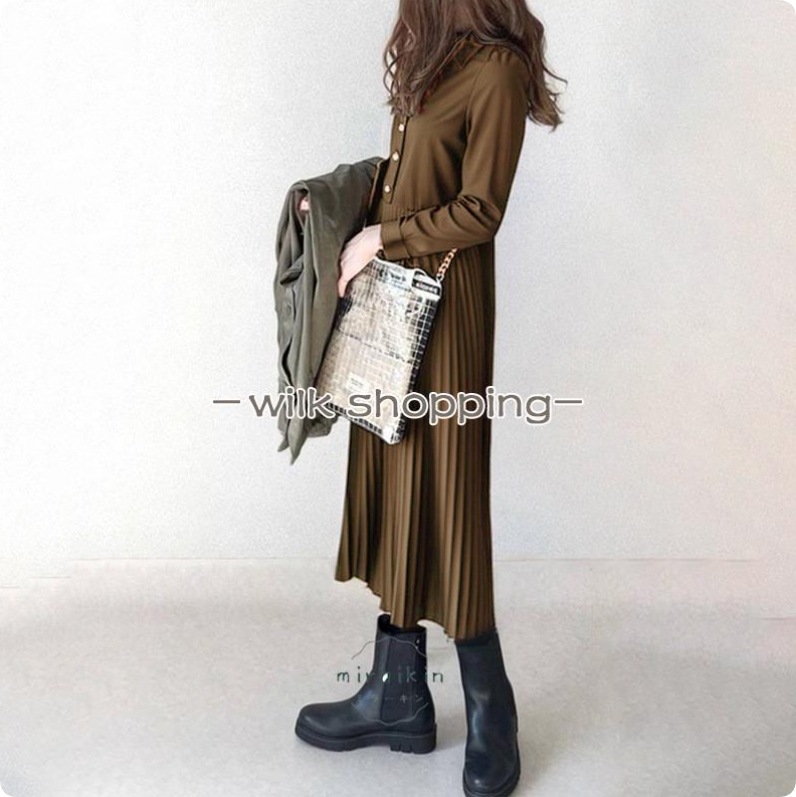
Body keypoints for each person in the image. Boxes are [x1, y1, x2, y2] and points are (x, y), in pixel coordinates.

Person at [295, 2, 564, 795]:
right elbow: (406, 176)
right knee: (396, 482)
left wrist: (378, 238)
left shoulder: (497, 69)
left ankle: (491, 709)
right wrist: (333, 204)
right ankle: (398, 697)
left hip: (447, 317)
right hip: (391, 308)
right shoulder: (433, 58)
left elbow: (481, 210)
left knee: (448, 494)